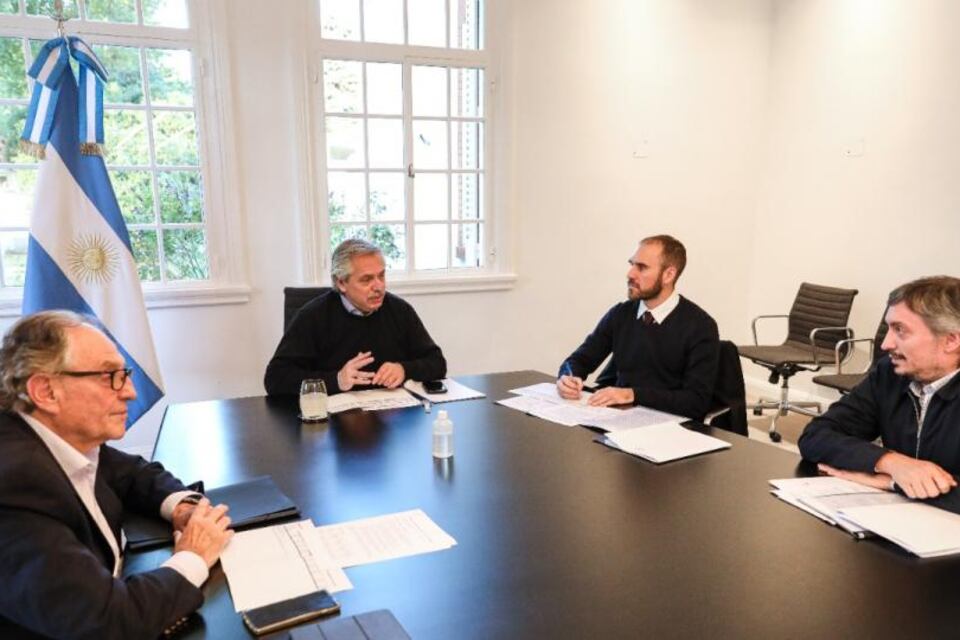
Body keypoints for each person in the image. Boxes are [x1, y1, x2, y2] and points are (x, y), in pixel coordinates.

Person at [0, 311, 233, 639]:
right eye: (110, 376)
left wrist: (181, 506)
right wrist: (192, 557)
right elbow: (108, 622)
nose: (130, 392)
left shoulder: (54, 439)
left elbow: (132, 473)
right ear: (46, 392)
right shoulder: (15, 485)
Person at [799, 276, 960, 513]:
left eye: (900, 330)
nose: (885, 344)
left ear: (951, 340)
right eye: (889, 328)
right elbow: (816, 436)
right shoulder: (890, 373)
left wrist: (892, 483)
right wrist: (890, 462)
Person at [556, 235, 719, 420]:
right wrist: (568, 377)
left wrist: (632, 394)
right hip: (617, 419)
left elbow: (696, 402)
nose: (630, 274)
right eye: (632, 264)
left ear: (668, 275)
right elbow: (580, 359)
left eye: (642, 267)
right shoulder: (621, 313)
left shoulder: (700, 326)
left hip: (669, 427)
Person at [264, 238, 447, 396]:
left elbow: (437, 363)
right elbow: (276, 379)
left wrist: (404, 369)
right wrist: (336, 380)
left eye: (381, 276)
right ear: (341, 282)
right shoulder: (313, 316)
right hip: (334, 426)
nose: (379, 287)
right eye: (366, 280)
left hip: (390, 418)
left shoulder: (399, 310)